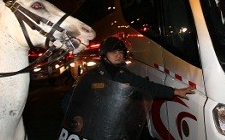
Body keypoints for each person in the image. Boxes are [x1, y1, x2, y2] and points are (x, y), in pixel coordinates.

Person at [62, 37, 194, 111]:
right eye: (114, 52)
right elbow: (68, 102)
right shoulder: (90, 76)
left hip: (118, 126)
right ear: (104, 55)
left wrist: (175, 92)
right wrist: (81, 115)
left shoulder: (125, 74)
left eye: (120, 52)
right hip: (95, 127)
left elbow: (147, 86)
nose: (118, 55)